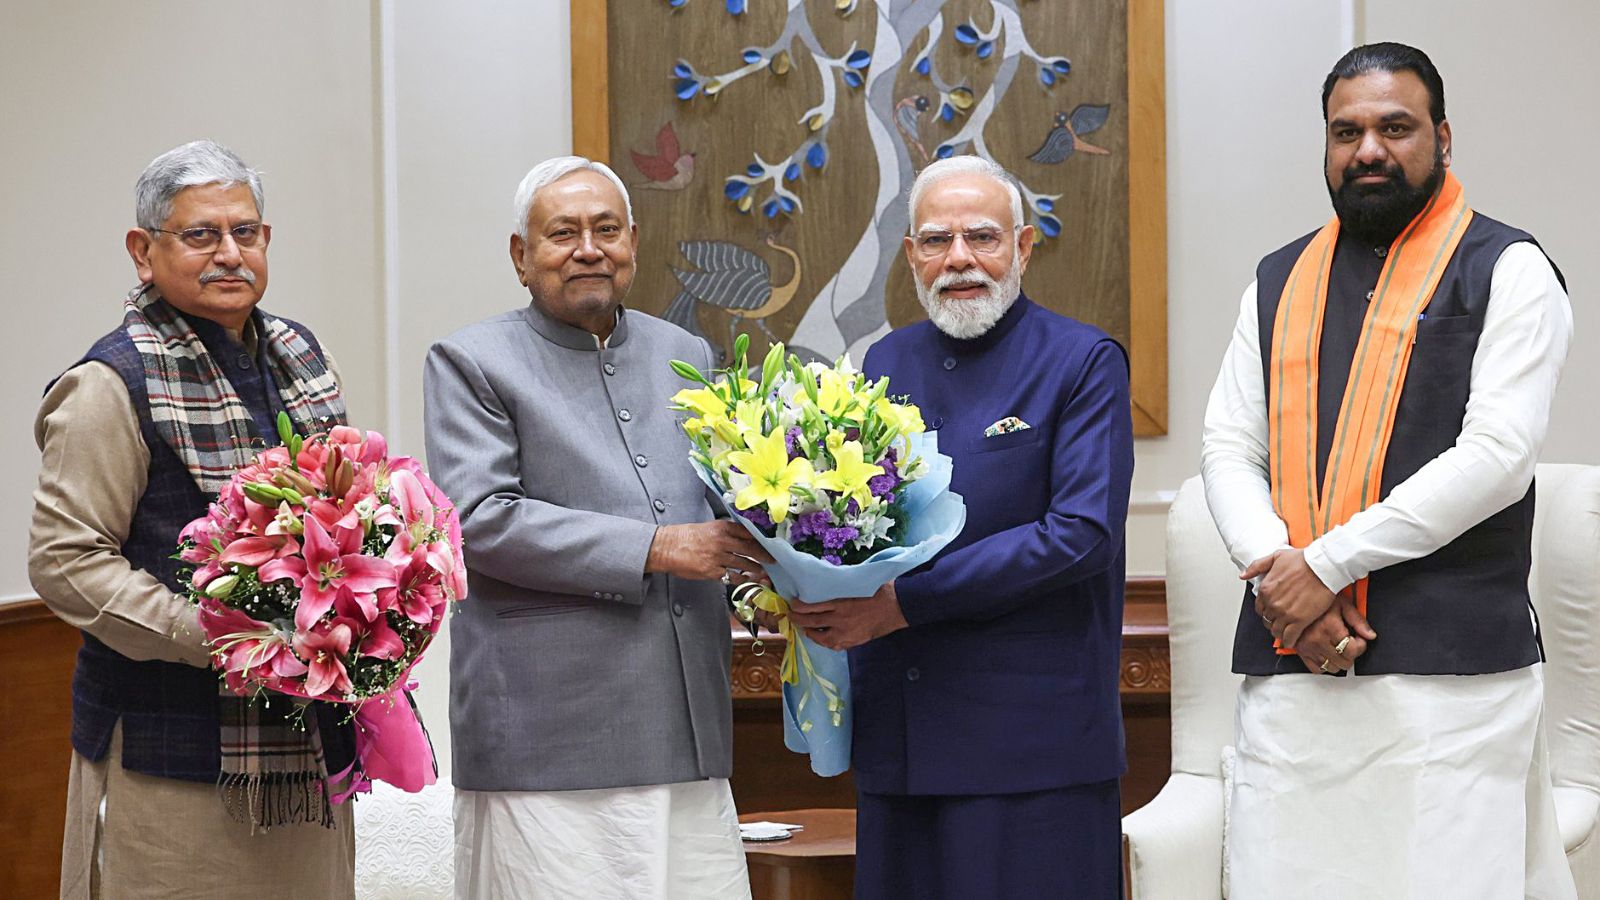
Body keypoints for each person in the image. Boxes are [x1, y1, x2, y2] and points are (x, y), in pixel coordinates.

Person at [1201, 42, 1575, 899]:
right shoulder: (1278, 277)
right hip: (1295, 667)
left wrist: (1324, 566)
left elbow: (1497, 460)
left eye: (1395, 127)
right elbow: (1229, 448)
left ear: (1443, 138)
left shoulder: (1508, 268)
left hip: (1451, 687)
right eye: (1347, 131)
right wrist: (1280, 578)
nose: (1368, 149)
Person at [789, 155, 1134, 899]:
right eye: (936, 240)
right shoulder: (886, 360)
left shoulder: (1083, 361)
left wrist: (901, 604)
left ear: (1024, 245)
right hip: (902, 742)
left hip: (1031, 754)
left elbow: (1079, 533)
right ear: (911, 254)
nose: (959, 260)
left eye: (982, 237)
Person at [423, 155, 767, 900]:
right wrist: (660, 546)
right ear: (522, 256)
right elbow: (480, 521)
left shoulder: (686, 355)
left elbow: (724, 499)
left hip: (685, 729)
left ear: (633, 243)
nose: (588, 248)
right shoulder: (471, 360)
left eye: (606, 230)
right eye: (562, 233)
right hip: (546, 737)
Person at [29, 140, 356, 899]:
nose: (229, 254)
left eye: (246, 232)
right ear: (144, 253)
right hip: (167, 755)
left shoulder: (302, 356)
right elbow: (66, 563)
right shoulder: (110, 383)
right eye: (201, 235)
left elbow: (348, 519)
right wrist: (225, 637)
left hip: (303, 744)